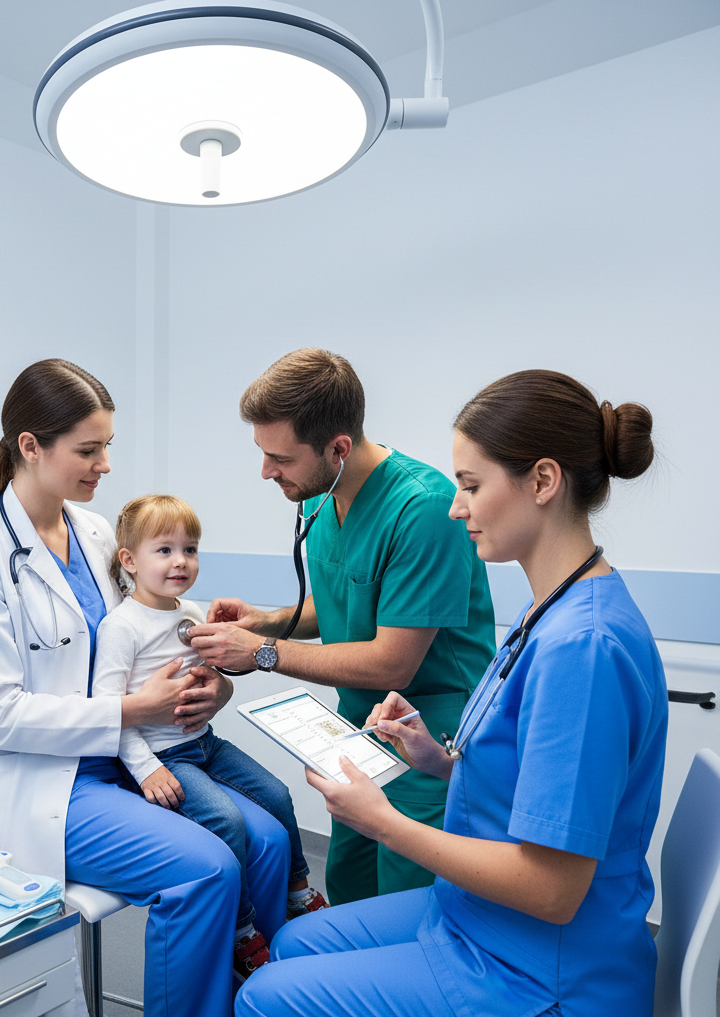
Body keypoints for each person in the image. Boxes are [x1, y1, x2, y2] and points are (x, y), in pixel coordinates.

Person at [235, 369, 668, 1017]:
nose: (455, 506)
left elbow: (552, 891)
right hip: (483, 919)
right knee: (296, 940)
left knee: (265, 996)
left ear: (543, 482)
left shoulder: (586, 648)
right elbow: (531, 764)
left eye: (470, 485)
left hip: (539, 968)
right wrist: (439, 758)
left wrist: (383, 820)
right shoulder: (551, 608)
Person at [0, 359, 290, 1017]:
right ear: (31, 447)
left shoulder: (98, 533)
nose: (103, 465)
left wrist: (212, 688)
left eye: (107, 449)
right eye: (88, 450)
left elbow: (150, 635)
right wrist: (136, 708)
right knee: (207, 869)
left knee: (268, 843)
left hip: (135, 754)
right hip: (44, 782)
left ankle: (265, 1001)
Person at [189, 348, 496, 904]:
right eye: (262, 454)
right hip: (358, 736)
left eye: (279, 457)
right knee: (351, 892)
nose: (266, 472)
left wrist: (261, 651)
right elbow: (348, 605)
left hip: (431, 743)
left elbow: (391, 660)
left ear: (338, 448)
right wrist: (273, 620)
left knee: (410, 914)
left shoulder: (423, 509)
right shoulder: (321, 495)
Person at [92, 494, 329, 980]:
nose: (180, 561)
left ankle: (299, 892)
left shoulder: (192, 611)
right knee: (226, 821)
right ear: (130, 561)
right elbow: (108, 712)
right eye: (165, 550)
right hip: (164, 756)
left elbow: (211, 677)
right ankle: (243, 931)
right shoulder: (121, 627)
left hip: (205, 742)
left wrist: (217, 684)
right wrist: (146, 769)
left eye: (190, 549)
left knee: (277, 793)